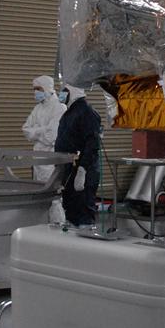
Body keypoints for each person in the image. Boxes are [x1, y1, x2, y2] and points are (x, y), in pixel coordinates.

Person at [53, 84, 102, 227]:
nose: (60, 93)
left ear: (72, 92)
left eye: (64, 91)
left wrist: (83, 170)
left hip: (82, 170)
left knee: (83, 209)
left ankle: (86, 242)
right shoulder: (70, 112)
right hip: (69, 170)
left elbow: (92, 144)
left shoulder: (86, 112)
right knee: (71, 208)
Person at [22, 75, 66, 182]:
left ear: (47, 88)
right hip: (37, 157)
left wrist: (36, 130)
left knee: (52, 192)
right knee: (38, 191)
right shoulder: (38, 108)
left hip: (51, 157)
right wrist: (43, 130)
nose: (36, 92)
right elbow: (25, 129)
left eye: (38, 89)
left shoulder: (59, 107)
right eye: (34, 89)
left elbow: (52, 136)